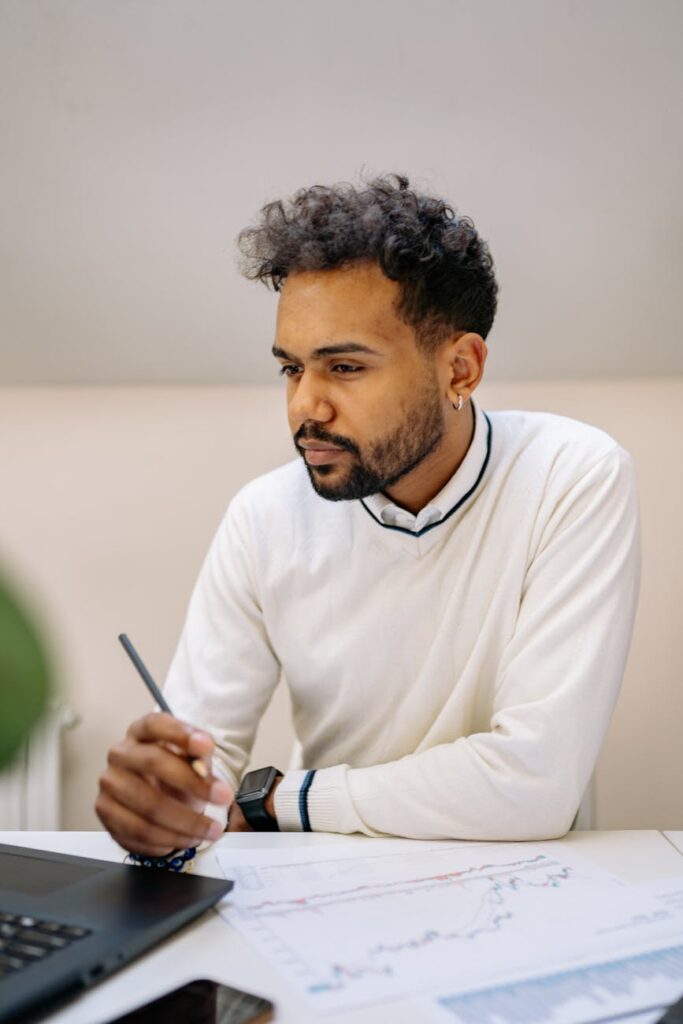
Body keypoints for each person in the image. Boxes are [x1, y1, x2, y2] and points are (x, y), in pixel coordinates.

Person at [96, 175, 640, 860]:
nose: (305, 408)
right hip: (329, 888)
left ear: (461, 369)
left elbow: (533, 783)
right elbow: (198, 771)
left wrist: (280, 802)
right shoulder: (263, 517)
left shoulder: (572, 475)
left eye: (344, 367)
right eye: (291, 370)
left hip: (524, 888)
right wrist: (160, 806)